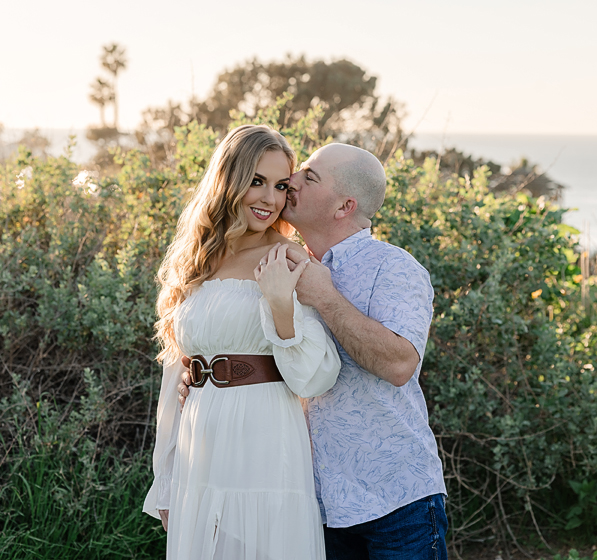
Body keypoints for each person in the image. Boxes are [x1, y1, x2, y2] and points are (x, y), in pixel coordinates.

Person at [179, 142, 449, 559]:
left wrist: (325, 297)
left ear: (344, 206)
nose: (292, 183)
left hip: (394, 499)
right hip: (313, 499)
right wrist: (206, 375)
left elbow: (399, 364)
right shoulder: (278, 262)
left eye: (310, 177)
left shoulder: (393, 267)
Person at [142, 125, 341, 560]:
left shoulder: (289, 259)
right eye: (256, 181)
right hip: (199, 442)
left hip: (265, 435)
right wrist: (166, 476)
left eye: (281, 186)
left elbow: (316, 376)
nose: (269, 199)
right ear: (228, 180)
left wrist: (280, 306)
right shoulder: (197, 259)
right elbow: (175, 374)